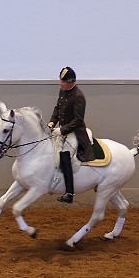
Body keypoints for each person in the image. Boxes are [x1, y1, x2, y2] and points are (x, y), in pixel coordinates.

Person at [48, 67, 95, 204]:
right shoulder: (62, 91)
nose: (60, 83)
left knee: (65, 153)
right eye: (60, 80)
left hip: (74, 131)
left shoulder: (78, 97)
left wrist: (62, 130)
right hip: (62, 129)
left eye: (63, 82)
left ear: (71, 82)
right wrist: (52, 122)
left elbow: (78, 120)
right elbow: (58, 108)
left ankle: (69, 192)